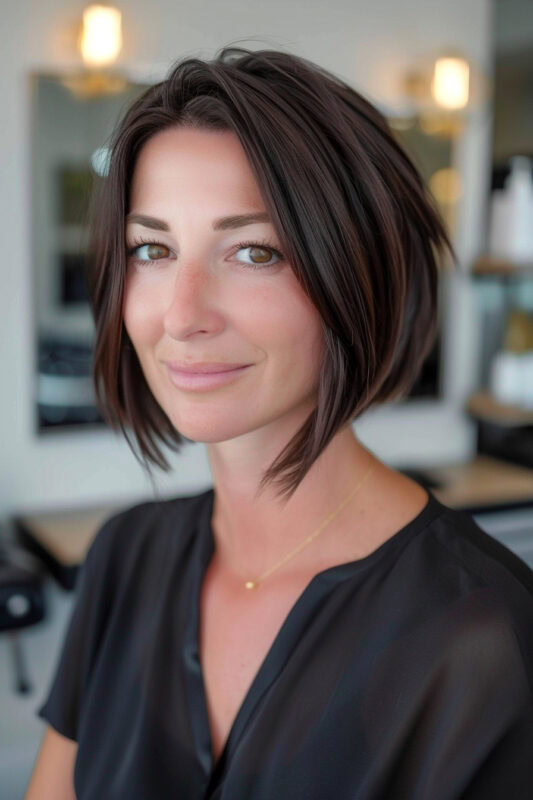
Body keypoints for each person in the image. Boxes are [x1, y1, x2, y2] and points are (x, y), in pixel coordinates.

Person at [26, 46, 533, 800]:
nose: (183, 314)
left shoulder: (484, 638)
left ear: (359, 271)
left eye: (253, 251)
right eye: (152, 249)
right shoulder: (124, 559)